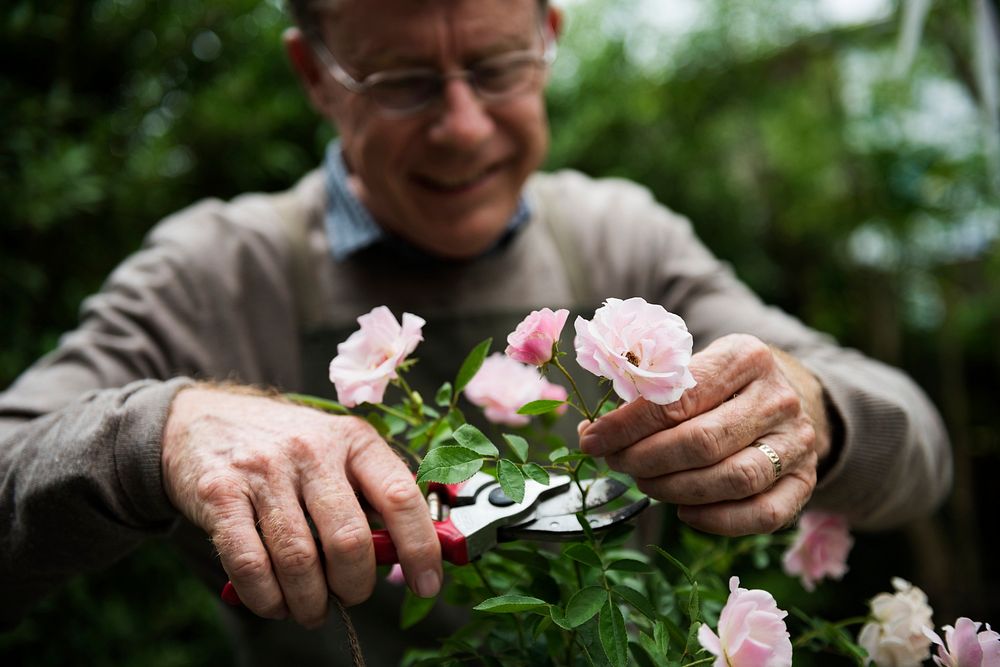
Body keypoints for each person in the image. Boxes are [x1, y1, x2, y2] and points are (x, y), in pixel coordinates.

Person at [0, 0, 951, 663]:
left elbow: (922, 447)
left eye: (497, 67)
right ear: (316, 76)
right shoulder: (209, 274)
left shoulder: (626, 240)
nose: (463, 127)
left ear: (548, 38)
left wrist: (815, 409)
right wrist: (156, 433)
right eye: (403, 80)